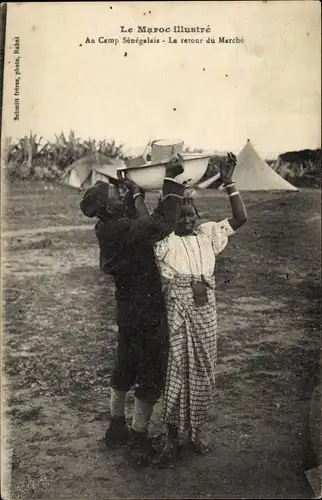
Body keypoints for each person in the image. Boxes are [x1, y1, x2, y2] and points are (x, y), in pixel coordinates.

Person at [79, 155, 186, 467]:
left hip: (127, 314)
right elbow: (162, 224)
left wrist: (132, 192)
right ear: (111, 208)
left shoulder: (108, 228)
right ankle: (138, 439)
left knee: (124, 366)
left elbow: (132, 217)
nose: (119, 193)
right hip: (147, 313)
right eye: (115, 194)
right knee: (150, 372)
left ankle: (116, 427)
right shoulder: (123, 231)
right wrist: (172, 181)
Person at [153, 152, 248, 463]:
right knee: (176, 370)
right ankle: (171, 434)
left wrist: (229, 183)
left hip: (206, 311)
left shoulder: (208, 234)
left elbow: (240, 219)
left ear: (198, 214)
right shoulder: (165, 241)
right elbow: (155, 228)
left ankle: (196, 431)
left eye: (190, 213)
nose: (186, 219)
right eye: (180, 215)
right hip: (177, 311)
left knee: (204, 371)